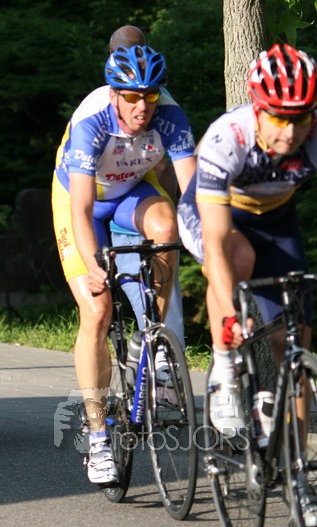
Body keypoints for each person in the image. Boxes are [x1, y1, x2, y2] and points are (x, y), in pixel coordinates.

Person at [177, 44, 317, 527]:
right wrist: (231, 316)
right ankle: (225, 369)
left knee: (295, 344)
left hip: (277, 221)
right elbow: (216, 245)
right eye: (279, 118)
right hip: (215, 217)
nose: (291, 132)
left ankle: (296, 475)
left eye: (301, 118)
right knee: (237, 258)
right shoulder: (227, 138)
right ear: (258, 108)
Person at [51, 45, 196, 485]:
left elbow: (193, 194)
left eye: (150, 95)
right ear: (114, 94)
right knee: (97, 310)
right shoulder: (92, 121)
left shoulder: (170, 115)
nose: (141, 106)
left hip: (131, 191)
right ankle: (98, 439)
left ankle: (152, 336)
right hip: (81, 202)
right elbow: (80, 211)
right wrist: (92, 262)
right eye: (131, 96)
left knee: (167, 225)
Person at [107, 25, 186, 346]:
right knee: (154, 312)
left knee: (158, 313)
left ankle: (157, 367)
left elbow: (168, 168)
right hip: (118, 210)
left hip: (139, 212)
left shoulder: (158, 103)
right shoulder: (106, 102)